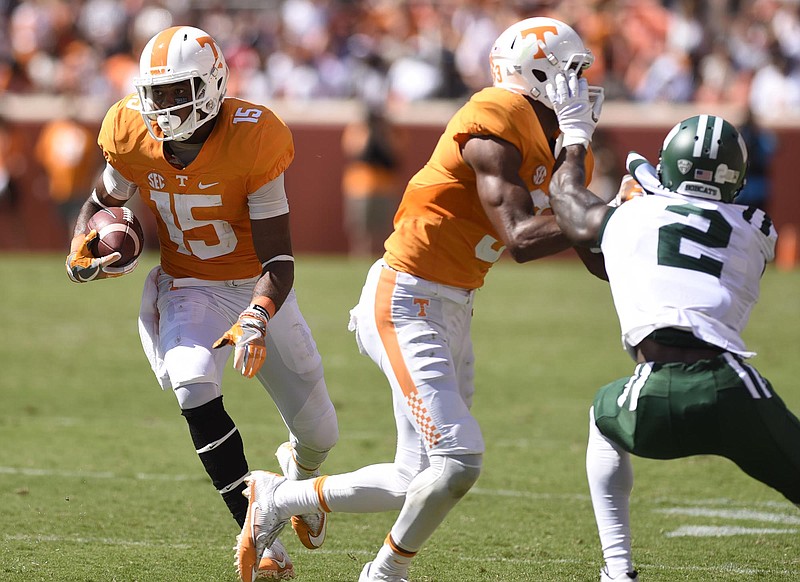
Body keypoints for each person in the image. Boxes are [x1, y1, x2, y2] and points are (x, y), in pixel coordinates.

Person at [235, 17, 606, 582]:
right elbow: (523, 238)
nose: (579, 87)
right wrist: (606, 206)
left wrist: (643, 220)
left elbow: (595, 254)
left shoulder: (559, 144)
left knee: (417, 477)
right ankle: (384, 573)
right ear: (535, 75)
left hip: (454, 306)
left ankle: (279, 498)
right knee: (458, 461)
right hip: (405, 298)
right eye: (570, 73)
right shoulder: (496, 115)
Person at [64, 26, 339, 580]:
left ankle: (293, 476)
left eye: (176, 91)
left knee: (319, 434)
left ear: (212, 86)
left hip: (253, 287)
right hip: (187, 285)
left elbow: (279, 261)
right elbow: (101, 201)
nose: (162, 106)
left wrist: (257, 317)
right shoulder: (129, 131)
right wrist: (84, 245)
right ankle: (257, 535)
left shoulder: (253, 138)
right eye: (155, 92)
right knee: (192, 381)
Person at [548, 113, 800, 582]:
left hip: (654, 394)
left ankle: (618, 571)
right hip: (736, 389)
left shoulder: (631, 214)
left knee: (602, 420)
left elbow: (565, 200)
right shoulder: (757, 229)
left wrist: (577, 137)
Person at [340, 105, 403, 258]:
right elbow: (359, 153)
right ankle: (360, 257)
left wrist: (381, 133)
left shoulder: (392, 131)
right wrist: (370, 132)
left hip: (385, 186)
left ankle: (386, 258)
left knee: (386, 228)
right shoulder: (357, 130)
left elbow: (393, 158)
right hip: (360, 186)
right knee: (361, 229)